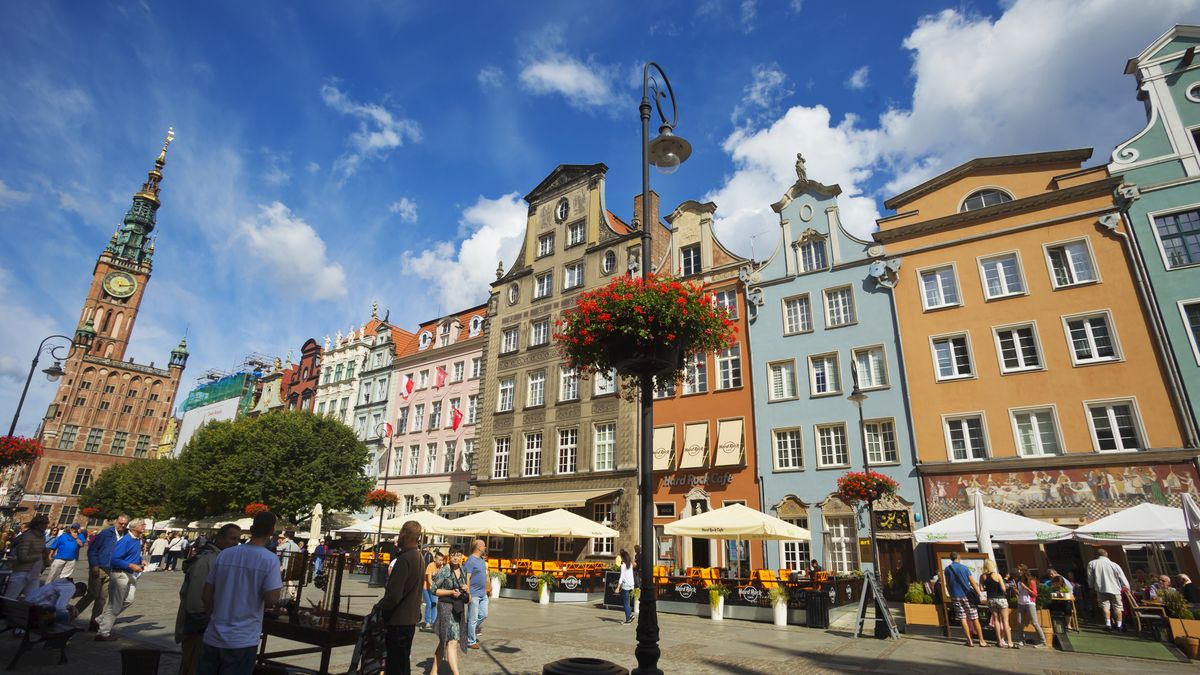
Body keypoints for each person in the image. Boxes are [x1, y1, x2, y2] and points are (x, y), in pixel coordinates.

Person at [200, 511, 283, 675]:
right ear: (271, 532)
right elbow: (272, 598)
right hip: (242, 638)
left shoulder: (225, 554)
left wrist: (215, 615)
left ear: (251, 529)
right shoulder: (269, 559)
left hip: (213, 635)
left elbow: (206, 594)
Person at [176, 523, 241, 675]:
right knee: (194, 666)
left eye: (238, 539)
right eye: (232, 538)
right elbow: (196, 597)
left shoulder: (220, 558)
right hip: (199, 627)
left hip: (208, 626)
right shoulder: (208, 560)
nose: (236, 543)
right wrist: (202, 622)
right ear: (220, 538)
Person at [373, 520, 424, 675]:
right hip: (409, 620)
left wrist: (378, 607)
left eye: (400, 533)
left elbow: (394, 595)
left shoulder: (405, 559)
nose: (398, 537)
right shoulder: (419, 557)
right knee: (402, 664)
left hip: (398, 622)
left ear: (405, 534)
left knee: (395, 666)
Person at [76, 514, 129, 631]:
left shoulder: (126, 535)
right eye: (121, 523)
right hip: (99, 567)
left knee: (102, 597)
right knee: (92, 594)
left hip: (112, 569)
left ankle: (94, 622)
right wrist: (94, 565)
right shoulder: (106, 533)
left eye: (125, 524)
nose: (123, 526)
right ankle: (72, 614)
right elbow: (93, 550)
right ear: (116, 522)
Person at [96, 518, 146, 641]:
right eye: (142, 524)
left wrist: (140, 561)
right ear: (134, 528)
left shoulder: (137, 540)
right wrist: (130, 565)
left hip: (130, 574)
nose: (144, 526)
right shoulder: (126, 540)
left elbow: (132, 555)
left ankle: (101, 619)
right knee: (115, 605)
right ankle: (103, 633)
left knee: (129, 600)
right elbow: (114, 559)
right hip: (120, 574)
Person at [430, 544, 470, 675]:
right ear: (449, 555)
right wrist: (450, 592)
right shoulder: (444, 571)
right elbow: (434, 589)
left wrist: (465, 589)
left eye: (458, 555)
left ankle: (433, 672)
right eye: (453, 554)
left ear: (462, 556)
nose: (455, 557)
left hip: (458, 609)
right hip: (446, 608)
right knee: (450, 641)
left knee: (448, 641)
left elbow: (466, 589)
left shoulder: (463, 570)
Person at [943, 551, 986, 647]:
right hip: (967, 595)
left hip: (955, 596)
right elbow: (972, 582)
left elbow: (948, 584)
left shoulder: (947, 569)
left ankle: (969, 640)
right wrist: (979, 593)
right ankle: (981, 641)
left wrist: (951, 595)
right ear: (958, 557)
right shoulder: (964, 568)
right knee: (974, 617)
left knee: (962, 618)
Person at [5, 514, 49, 599]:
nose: (45, 526)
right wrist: (40, 555)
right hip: (22, 571)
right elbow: (22, 557)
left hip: (34, 572)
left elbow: (42, 552)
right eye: (43, 524)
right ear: (37, 525)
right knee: (10, 598)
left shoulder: (42, 537)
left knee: (32, 599)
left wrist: (45, 557)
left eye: (46, 523)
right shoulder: (27, 536)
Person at [1087, 548, 1129, 632]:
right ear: (1106, 554)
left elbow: (1090, 577)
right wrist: (1126, 587)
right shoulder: (1114, 564)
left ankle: (1108, 624)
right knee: (1117, 607)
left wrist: (1091, 586)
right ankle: (1119, 625)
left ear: (1097, 555)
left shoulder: (1092, 563)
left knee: (1105, 606)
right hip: (1115, 588)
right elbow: (1122, 577)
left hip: (1101, 587)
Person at [979, 559, 1015, 649]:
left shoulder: (982, 576)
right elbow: (1003, 589)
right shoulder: (997, 575)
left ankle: (999, 641)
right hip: (1001, 599)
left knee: (996, 620)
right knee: (1005, 621)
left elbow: (981, 589)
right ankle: (1010, 642)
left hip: (991, 599)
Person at [1013, 564, 1048, 648]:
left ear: (1024, 571)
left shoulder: (1031, 581)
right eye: (1018, 570)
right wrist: (1016, 591)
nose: (1018, 571)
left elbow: (1035, 594)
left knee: (1034, 622)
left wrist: (1026, 588)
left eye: (1020, 570)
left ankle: (1043, 642)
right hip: (1020, 602)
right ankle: (1021, 640)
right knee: (1019, 622)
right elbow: (1019, 593)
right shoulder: (1018, 581)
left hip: (1030, 603)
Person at [463, 539, 488, 649]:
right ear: (479, 547)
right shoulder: (470, 561)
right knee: (472, 618)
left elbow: (485, 575)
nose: (485, 548)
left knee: (483, 614)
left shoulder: (482, 560)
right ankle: (471, 641)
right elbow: (467, 577)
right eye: (484, 546)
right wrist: (468, 593)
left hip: (483, 594)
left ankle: (468, 630)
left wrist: (488, 586)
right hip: (474, 594)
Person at [423, 550, 444, 630]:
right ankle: (427, 622)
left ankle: (434, 621)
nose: (441, 562)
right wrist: (434, 588)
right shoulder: (430, 565)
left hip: (433, 588)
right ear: (435, 559)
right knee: (429, 603)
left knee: (434, 604)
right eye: (439, 560)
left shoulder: (441, 567)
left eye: (442, 560)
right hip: (426, 587)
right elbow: (429, 579)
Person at [618, 548, 636, 625]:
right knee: (627, 602)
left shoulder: (623, 566)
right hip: (631, 585)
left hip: (625, 585)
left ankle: (628, 620)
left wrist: (618, 587)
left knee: (625, 603)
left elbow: (621, 577)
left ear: (623, 558)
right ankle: (630, 615)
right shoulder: (630, 564)